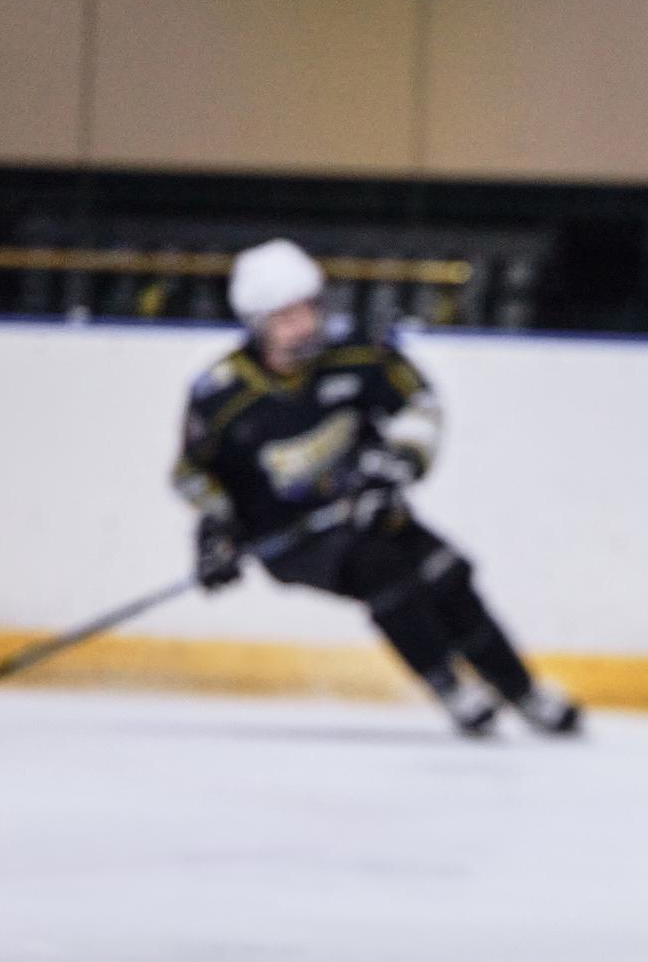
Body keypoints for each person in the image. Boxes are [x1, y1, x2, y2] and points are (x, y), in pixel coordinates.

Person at [173, 240, 580, 737]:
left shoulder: (357, 354)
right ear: (258, 325)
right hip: (295, 538)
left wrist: (397, 462)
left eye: (309, 310)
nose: (304, 326)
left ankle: (523, 691)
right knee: (381, 571)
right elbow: (195, 474)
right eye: (286, 318)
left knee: (447, 573)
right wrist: (217, 532)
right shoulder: (223, 396)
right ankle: (452, 689)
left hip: (369, 508)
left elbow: (419, 405)